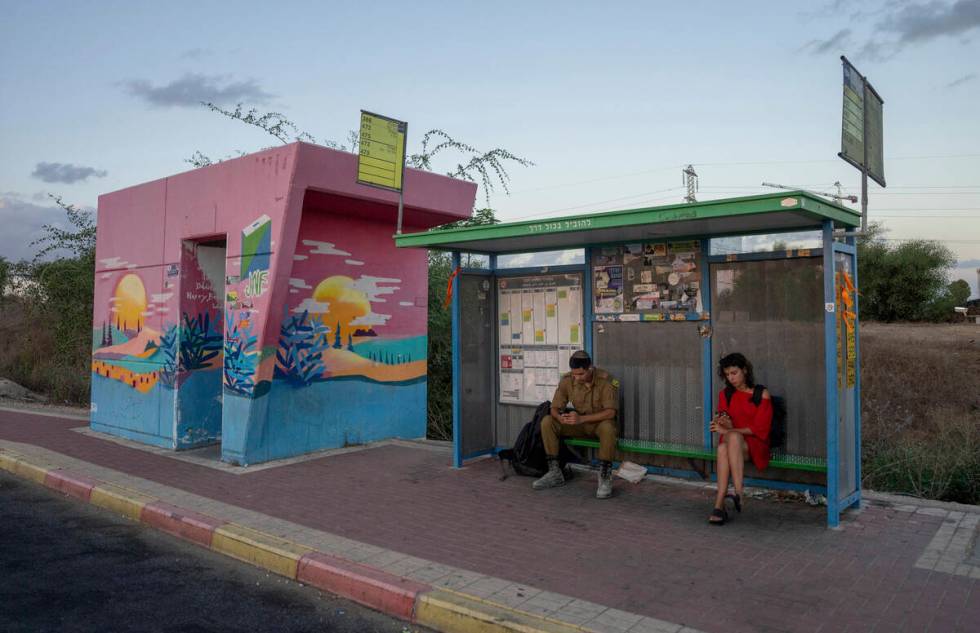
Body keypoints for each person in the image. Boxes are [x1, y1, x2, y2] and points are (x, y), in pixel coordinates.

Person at [532, 350, 619, 499]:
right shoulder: (568, 379)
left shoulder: (606, 380)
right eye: (574, 374)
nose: (576, 378)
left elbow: (611, 413)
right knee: (547, 421)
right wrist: (559, 417)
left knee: (608, 428)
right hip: (578, 424)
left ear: (590, 368)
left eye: (581, 374)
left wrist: (581, 419)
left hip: (597, 425)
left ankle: (605, 476)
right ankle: (555, 472)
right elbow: (554, 407)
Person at [708, 352, 772, 525]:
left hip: (754, 444)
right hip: (731, 443)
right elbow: (724, 422)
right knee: (724, 446)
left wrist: (729, 430)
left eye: (734, 373)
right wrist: (721, 423)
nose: (731, 378)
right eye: (727, 375)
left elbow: (761, 429)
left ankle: (734, 495)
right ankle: (723, 500)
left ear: (745, 370)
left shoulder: (761, 394)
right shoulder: (725, 394)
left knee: (731, 439)